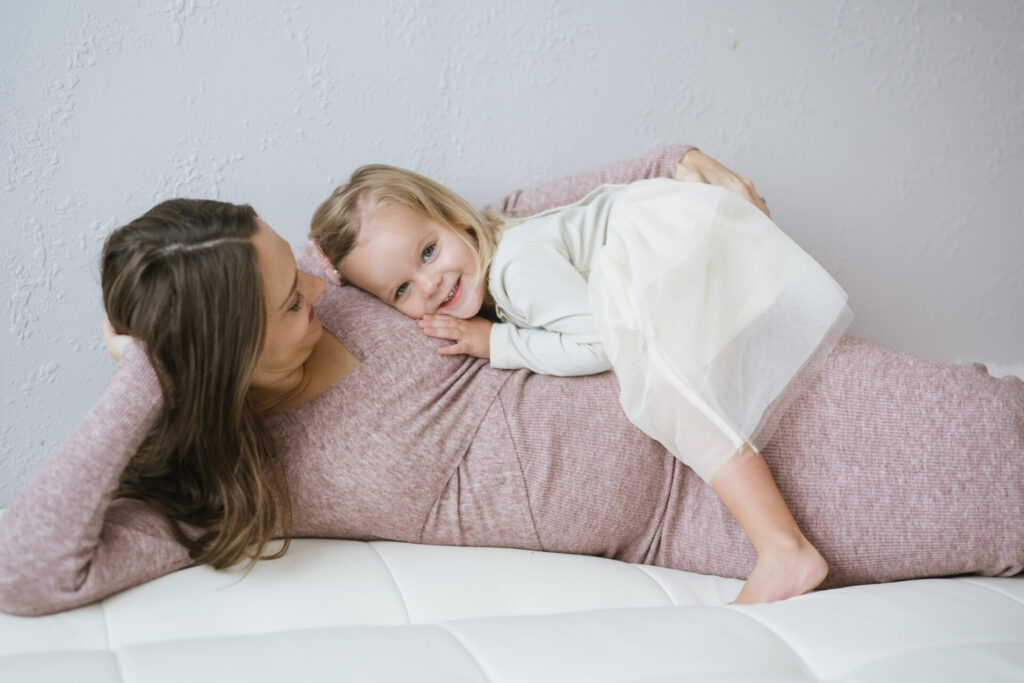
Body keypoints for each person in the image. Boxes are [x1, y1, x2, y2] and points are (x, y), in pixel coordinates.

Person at [0, 146, 1021, 617]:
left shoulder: (364, 281)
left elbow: (509, 220)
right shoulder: (228, 478)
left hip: (731, 385)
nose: (315, 287)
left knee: (993, 429)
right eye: (287, 301)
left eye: (295, 262)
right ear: (213, 363)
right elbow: (30, 570)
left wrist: (678, 162)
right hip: (688, 518)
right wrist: (143, 378)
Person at [308, 151, 851, 603]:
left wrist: (495, 342)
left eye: (428, 251)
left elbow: (598, 343)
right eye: (400, 291)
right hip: (682, 234)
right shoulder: (493, 253)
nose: (429, 285)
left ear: (454, 217)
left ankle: (784, 549)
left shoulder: (517, 271)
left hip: (686, 246)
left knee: (670, 396)